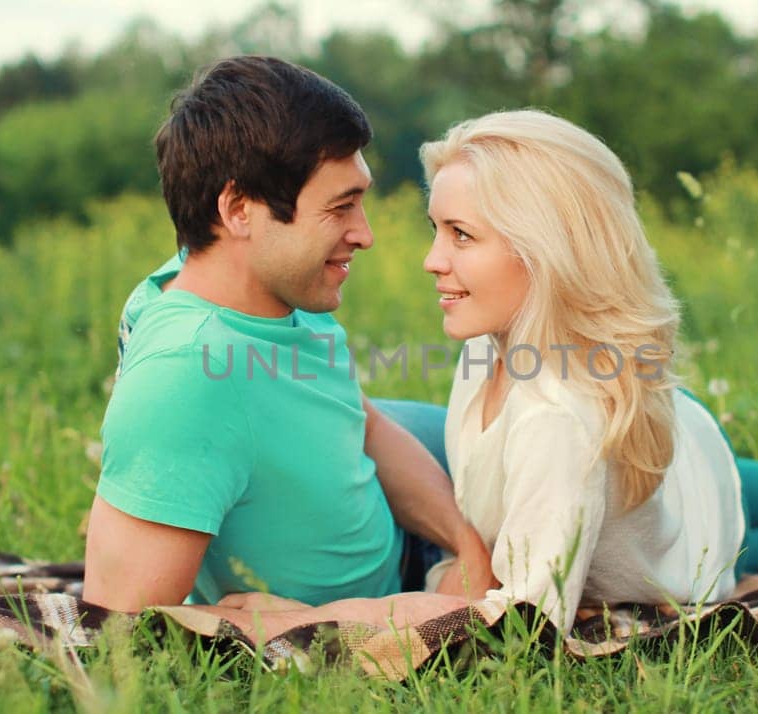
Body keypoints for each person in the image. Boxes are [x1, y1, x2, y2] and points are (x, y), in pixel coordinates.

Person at [415, 110, 758, 629]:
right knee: (700, 490)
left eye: (461, 235)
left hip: (687, 519)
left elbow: (526, 622)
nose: (432, 259)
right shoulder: (490, 344)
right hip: (666, 466)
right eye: (436, 229)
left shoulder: (554, 417)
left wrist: (379, 609)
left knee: (723, 518)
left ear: (546, 249)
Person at [81, 55, 495, 614]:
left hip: (423, 485)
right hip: (401, 579)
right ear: (238, 210)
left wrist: (469, 547)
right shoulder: (187, 371)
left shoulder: (269, 286)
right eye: (340, 207)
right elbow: (115, 622)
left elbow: (359, 419)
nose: (365, 234)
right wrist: (288, 625)